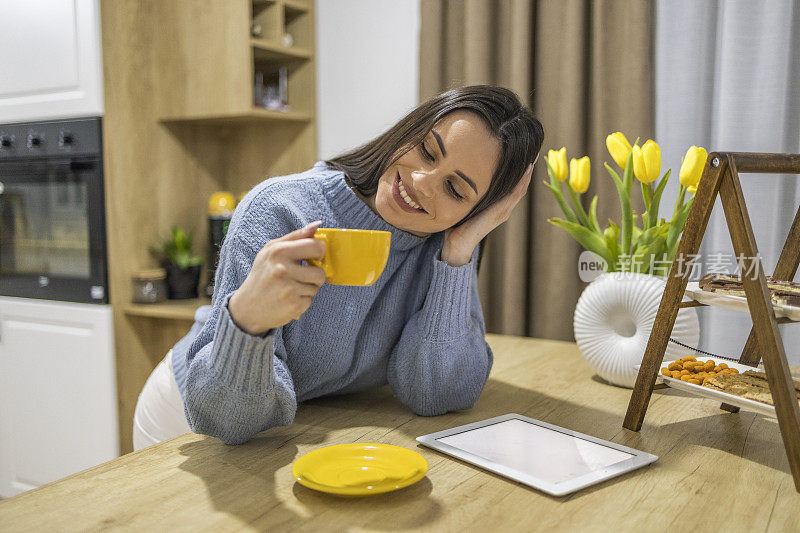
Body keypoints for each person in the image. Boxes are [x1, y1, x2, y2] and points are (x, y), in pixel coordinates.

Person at [132, 85, 544, 449]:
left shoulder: (442, 247)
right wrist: (249, 322)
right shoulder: (281, 210)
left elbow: (438, 394)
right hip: (192, 416)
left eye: (455, 189)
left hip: (294, 432)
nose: (421, 180)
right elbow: (231, 420)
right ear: (409, 130)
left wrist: (460, 250)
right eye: (426, 150)